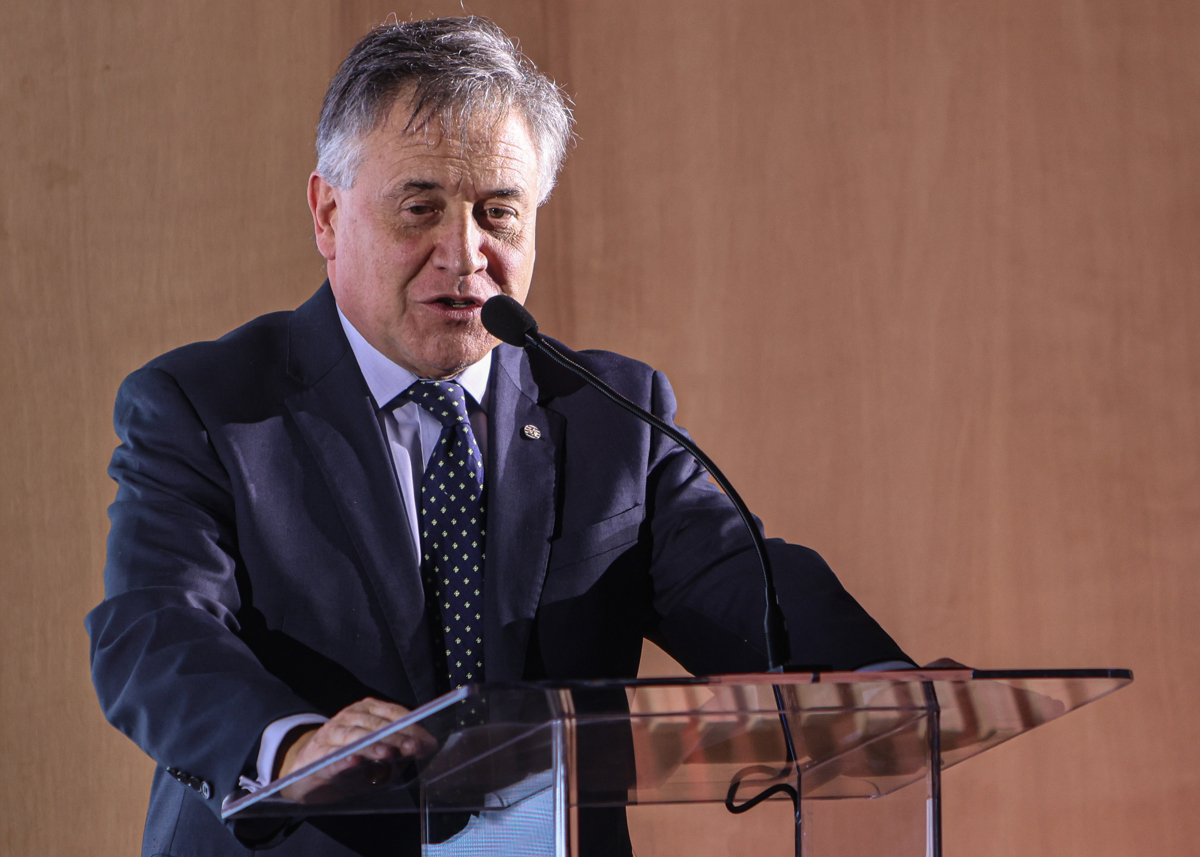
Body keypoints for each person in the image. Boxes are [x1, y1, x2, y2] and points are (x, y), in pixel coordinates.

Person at [86, 16, 910, 857]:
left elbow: (738, 580)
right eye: (422, 208)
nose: (465, 252)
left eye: (499, 212)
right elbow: (154, 631)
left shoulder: (609, 410)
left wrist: (891, 685)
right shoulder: (205, 405)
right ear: (328, 214)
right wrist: (295, 747)